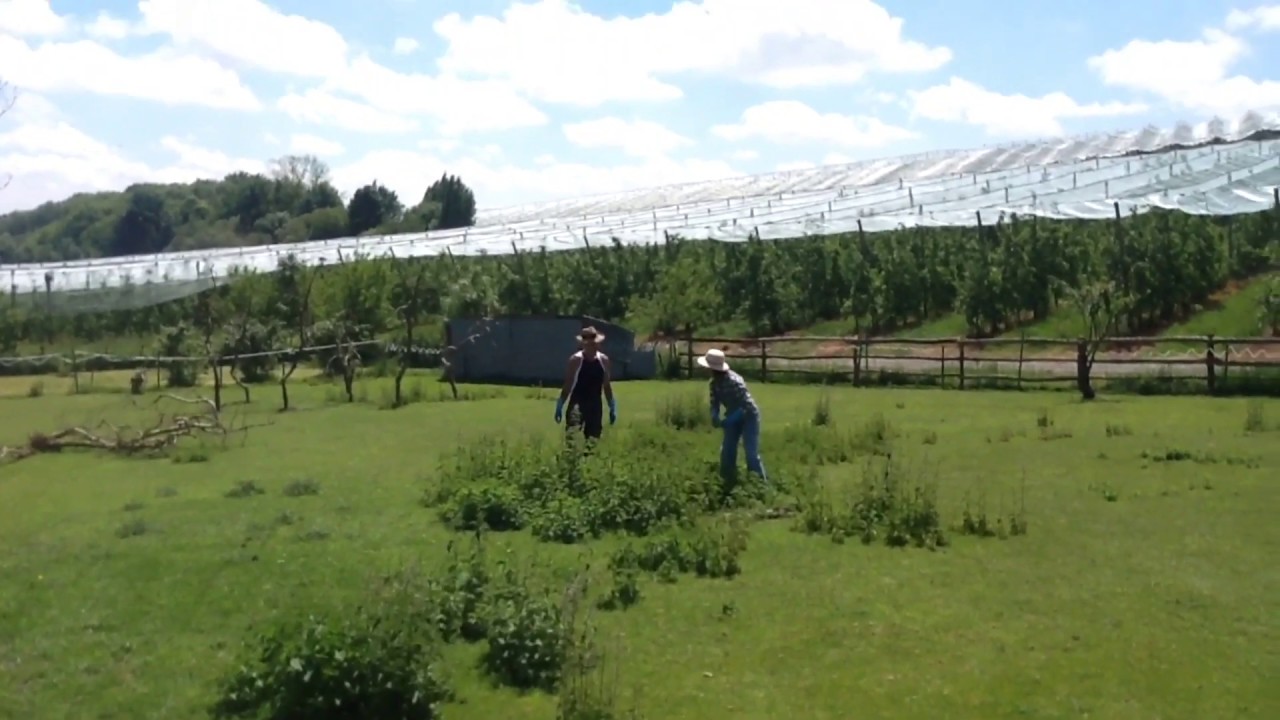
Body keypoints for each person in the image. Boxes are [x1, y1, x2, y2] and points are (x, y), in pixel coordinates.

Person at [698, 348, 767, 484]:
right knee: (727, 450)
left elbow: (746, 405)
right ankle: (727, 479)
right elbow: (714, 402)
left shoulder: (734, 381)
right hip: (732, 414)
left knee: (751, 453)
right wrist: (714, 415)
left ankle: (760, 483)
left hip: (749, 416)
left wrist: (731, 419)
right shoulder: (714, 384)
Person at [554, 326, 617, 440]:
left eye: (592, 343)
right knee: (572, 438)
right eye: (587, 343)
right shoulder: (575, 360)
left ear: (597, 343)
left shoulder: (604, 360)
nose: (590, 345)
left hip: (595, 405)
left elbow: (606, 385)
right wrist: (560, 404)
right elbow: (568, 384)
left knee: (593, 440)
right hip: (577, 404)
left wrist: (612, 405)